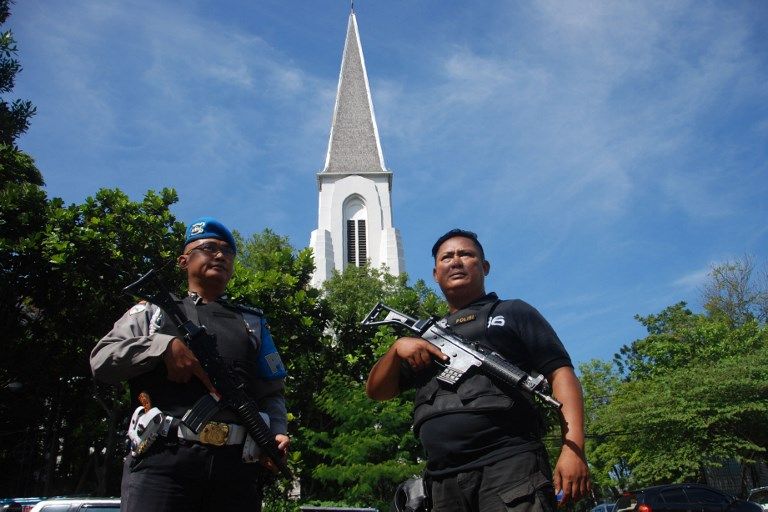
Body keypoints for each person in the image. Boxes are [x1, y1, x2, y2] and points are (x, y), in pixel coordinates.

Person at [366, 229, 590, 512]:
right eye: (447, 257)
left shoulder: (513, 312)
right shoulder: (426, 339)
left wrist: (573, 449)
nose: (456, 261)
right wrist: (396, 349)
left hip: (510, 470)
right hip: (441, 482)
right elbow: (377, 391)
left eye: (466, 254)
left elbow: (561, 375)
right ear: (435, 273)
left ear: (484, 267)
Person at [91, 217, 290, 512]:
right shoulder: (153, 313)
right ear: (184, 261)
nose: (220, 255)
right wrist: (162, 346)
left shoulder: (252, 323)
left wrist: (277, 431)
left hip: (235, 468)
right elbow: (102, 359)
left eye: (228, 252)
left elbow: (272, 390)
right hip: (163, 461)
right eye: (209, 248)